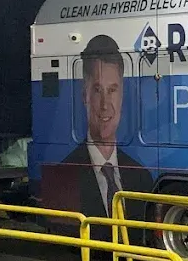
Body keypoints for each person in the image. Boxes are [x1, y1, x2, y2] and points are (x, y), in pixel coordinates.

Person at [60, 35, 154, 217]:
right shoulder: (64, 176)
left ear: (122, 95)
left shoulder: (142, 178)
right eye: (97, 90)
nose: (105, 104)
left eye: (112, 90)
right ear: (84, 95)